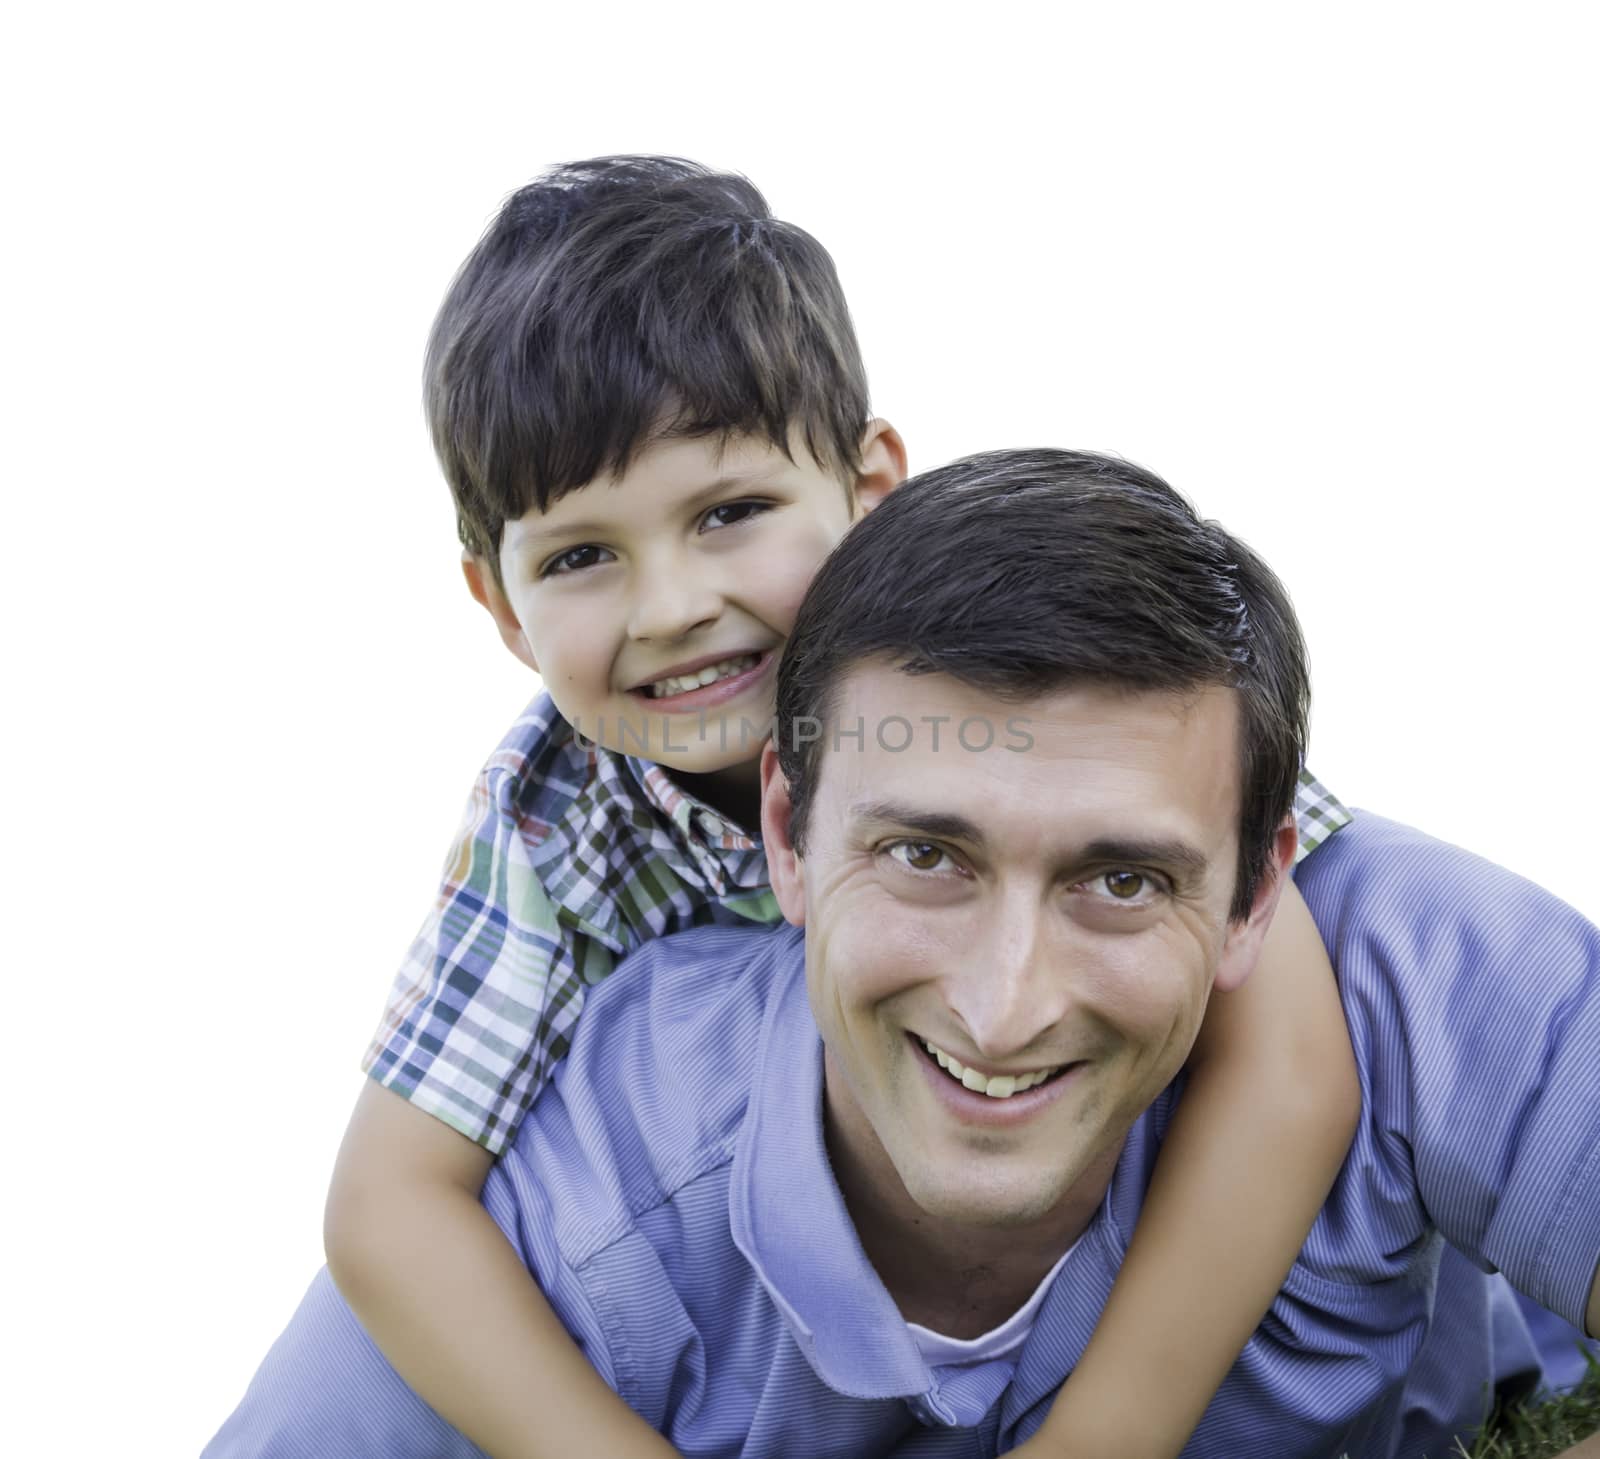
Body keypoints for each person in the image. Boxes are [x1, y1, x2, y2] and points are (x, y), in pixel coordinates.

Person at [208, 448, 1600, 1458]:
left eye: (1121, 879)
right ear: (787, 841)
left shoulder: (1405, 969)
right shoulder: (596, 1196)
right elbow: (385, 1223)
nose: (1003, 1009)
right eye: (928, 857)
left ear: (1254, 892)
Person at [314, 158, 1359, 1459]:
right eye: (584, 556)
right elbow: (390, 1205)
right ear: (500, 604)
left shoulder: (1031, 653)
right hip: (792, 1304)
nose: (670, 606)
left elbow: (1294, 1059)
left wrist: (1106, 1437)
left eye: (731, 512)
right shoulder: (554, 822)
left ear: (869, 489)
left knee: (1402, 928)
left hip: (1104, 1234)